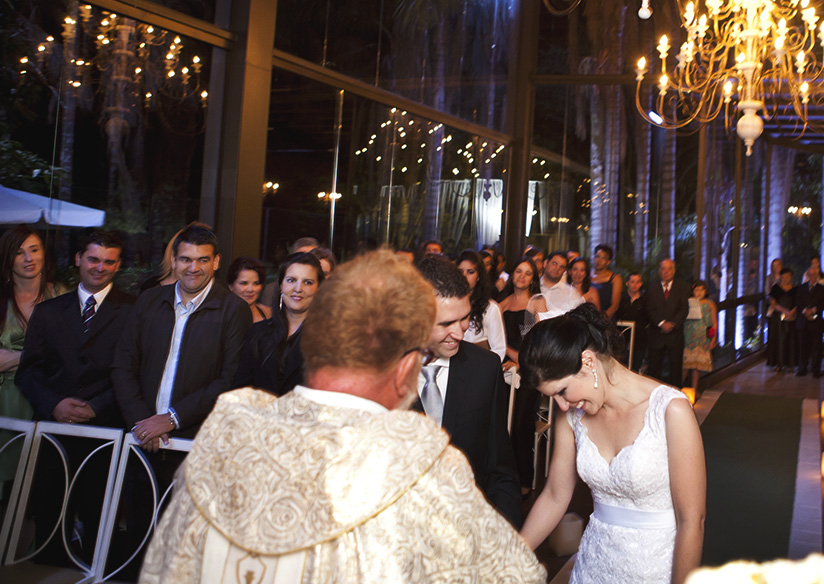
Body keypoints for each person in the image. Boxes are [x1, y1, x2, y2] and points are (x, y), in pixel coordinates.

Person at [138, 249, 545, 584]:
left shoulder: (227, 436)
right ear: (406, 364)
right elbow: (514, 574)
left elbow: (167, 569)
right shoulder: (426, 459)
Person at [519, 305, 706, 584]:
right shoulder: (571, 414)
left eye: (562, 391)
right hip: (594, 567)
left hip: (656, 569)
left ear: (587, 362)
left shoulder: (670, 410)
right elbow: (556, 495)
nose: (562, 404)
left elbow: (692, 520)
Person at [111, 223, 252, 446]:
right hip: (139, 436)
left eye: (202, 260)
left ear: (216, 262)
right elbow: (123, 364)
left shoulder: (233, 310)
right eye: (186, 259)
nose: (193, 268)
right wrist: (143, 424)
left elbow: (230, 379)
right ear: (174, 261)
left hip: (196, 442)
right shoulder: (149, 300)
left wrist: (172, 418)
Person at [414, 255, 523, 527]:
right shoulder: (377, 370)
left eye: (464, 319)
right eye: (445, 324)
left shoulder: (483, 369)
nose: (460, 333)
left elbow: (500, 468)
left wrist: (506, 541)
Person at [17, 230, 135, 427]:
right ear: (78, 258)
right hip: (51, 427)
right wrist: (54, 404)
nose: (100, 268)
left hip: (107, 429)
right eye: (93, 259)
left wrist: (96, 407)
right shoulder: (47, 311)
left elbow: (138, 372)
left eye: (109, 262)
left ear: (118, 265)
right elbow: (28, 371)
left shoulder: (135, 311)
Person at [234, 252, 325, 395]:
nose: (298, 288)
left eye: (307, 282)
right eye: (291, 280)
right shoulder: (257, 333)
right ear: (281, 285)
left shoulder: (329, 340)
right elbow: (240, 391)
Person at [1, 226, 62, 429]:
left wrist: (14, 357)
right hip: (7, 400)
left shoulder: (62, 295)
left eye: (34, 249)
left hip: (53, 400)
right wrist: (46, 356)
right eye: (19, 252)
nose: (29, 258)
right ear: (7, 258)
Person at [497, 258, 541, 489]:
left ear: (533, 279)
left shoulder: (536, 302)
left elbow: (537, 342)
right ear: (511, 275)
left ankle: (524, 478)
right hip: (503, 367)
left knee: (521, 422)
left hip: (528, 368)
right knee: (498, 421)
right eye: (518, 271)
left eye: (527, 273)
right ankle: (501, 476)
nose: (521, 276)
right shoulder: (501, 305)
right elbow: (495, 339)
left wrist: (517, 361)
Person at [645, 258, 689, 388]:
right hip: (656, 335)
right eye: (663, 268)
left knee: (675, 371)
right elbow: (650, 309)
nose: (666, 271)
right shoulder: (652, 288)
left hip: (675, 336)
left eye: (669, 268)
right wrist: (661, 323)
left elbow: (684, 309)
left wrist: (672, 324)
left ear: (674, 271)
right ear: (659, 271)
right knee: (653, 371)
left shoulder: (683, 288)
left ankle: (675, 400)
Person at [458, 250, 507, 361]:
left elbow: (499, 349)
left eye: (470, 272)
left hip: (477, 365)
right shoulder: (447, 303)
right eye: (460, 271)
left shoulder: (490, 308)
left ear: (478, 276)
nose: (464, 276)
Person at [684, 281, 717, 392]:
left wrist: (713, 338)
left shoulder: (710, 303)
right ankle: (677, 388)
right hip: (688, 336)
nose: (699, 292)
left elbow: (714, 322)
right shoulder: (688, 302)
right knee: (685, 364)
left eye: (701, 290)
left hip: (702, 337)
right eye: (696, 290)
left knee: (697, 366)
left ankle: (694, 389)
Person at [226, 257, 272, 322]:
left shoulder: (269, 313)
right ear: (231, 286)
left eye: (256, 283)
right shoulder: (221, 316)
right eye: (244, 283)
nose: (250, 289)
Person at [591, 244, 624, 319]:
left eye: (603, 258)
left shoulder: (616, 278)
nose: (599, 261)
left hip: (605, 321)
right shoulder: (587, 276)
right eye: (597, 256)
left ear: (608, 261)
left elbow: (615, 306)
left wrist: (601, 320)